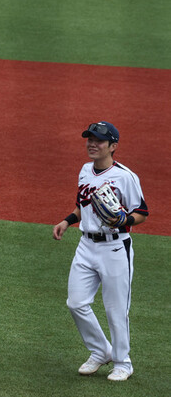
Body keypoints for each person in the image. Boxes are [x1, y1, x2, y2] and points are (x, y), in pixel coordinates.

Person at [52, 121, 147, 381]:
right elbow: (81, 204)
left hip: (115, 247)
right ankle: (100, 351)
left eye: (99, 141)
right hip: (86, 245)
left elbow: (141, 213)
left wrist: (123, 220)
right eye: (90, 139)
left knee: (116, 309)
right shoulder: (85, 170)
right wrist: (67, 221)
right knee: (76, 302)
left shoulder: (125, 176)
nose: (92, 144)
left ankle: (123, 362)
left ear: (113, 146)